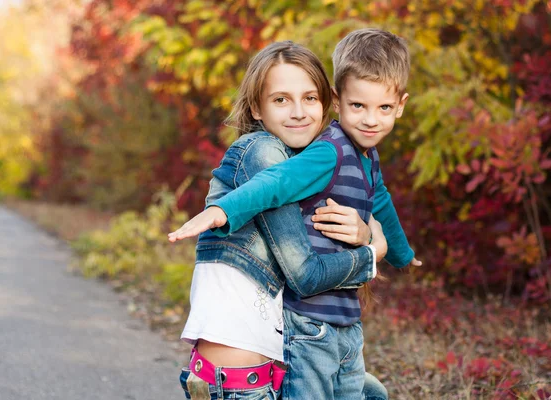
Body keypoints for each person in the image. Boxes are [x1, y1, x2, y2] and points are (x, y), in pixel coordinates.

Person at [169, 28, 421, 399]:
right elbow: (302, 266)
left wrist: (399, 251)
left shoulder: (330, 160)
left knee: (372, 393)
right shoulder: (265, 152)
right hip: (246, 375)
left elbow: (378, 198)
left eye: (308, 98)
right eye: (281, 99)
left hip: (280, 356)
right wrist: (373, 254)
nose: (300, 112)